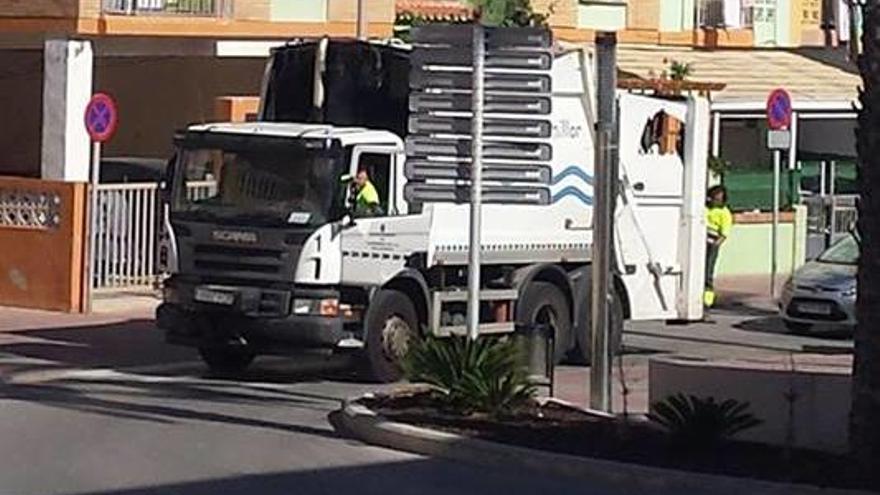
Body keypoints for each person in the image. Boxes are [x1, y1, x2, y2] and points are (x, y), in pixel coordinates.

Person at [704, 185, 733, 309]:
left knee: (708, 271)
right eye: (714, 197)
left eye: (719, 198)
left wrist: (715, 245)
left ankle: (707, 300)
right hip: (700, 239)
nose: (716, 200)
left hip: (712, 242)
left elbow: (724, 233)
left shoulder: (724, 213)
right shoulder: (705, 207)